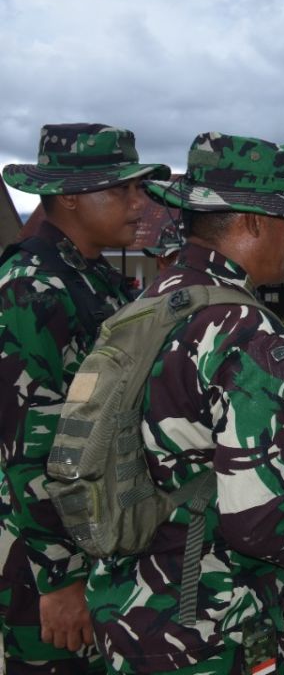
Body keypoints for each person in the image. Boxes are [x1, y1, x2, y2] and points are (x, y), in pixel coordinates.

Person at [83, 133, 284, 673]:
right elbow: (260, 519)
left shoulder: (153, 302)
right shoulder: (248, 333)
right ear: (255, 222)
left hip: (128, 605)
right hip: (206, 620)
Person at [0, 123, 168, 673]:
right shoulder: (30, 288)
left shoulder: (95, 280)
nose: (139, 203)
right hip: (48, 555)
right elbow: (23, 447)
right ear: (70, 196)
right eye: (123, 190)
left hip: (100, 534)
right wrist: (59, 578)